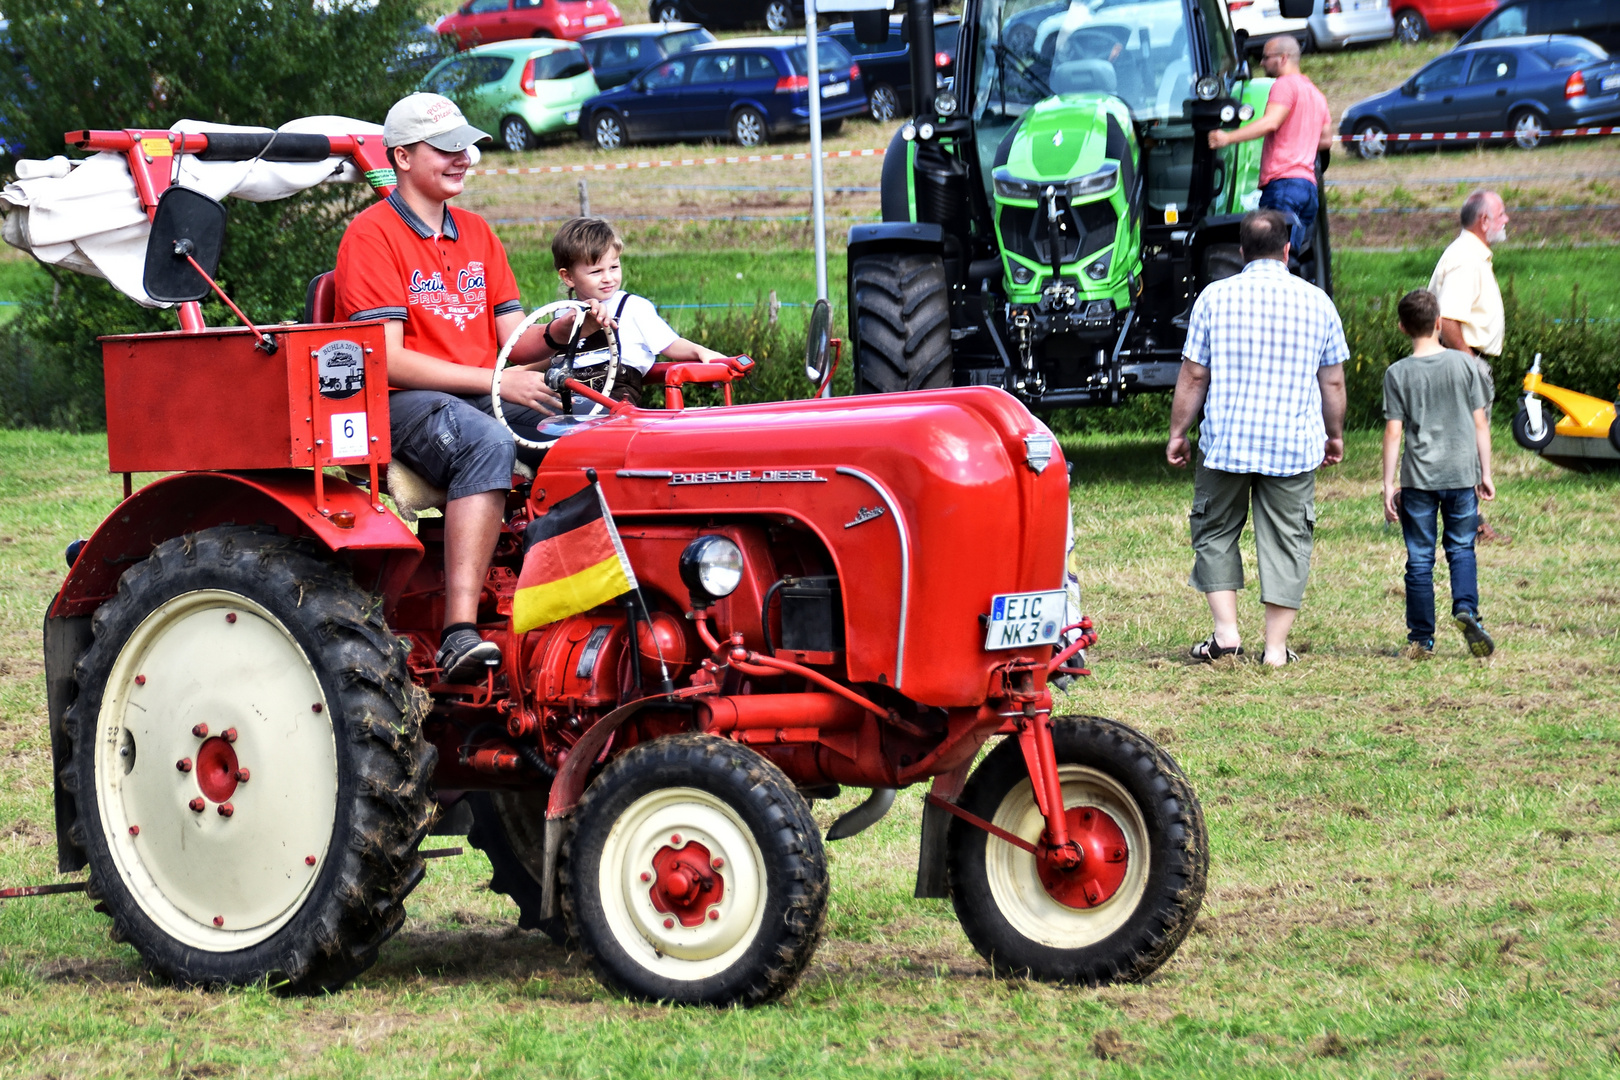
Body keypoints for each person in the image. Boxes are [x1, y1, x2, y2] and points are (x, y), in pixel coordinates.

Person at [333, 93, 610, 682]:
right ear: (402, 157)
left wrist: (567, 328)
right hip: (402, 400)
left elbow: (515, 338)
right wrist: (497, 379)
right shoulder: (372, 236)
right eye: (446, 148)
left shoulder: (478, 234)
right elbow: (387, 360)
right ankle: (460, 632)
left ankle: (565, 595)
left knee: (590, 431)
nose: (464, 158)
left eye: (467, 147)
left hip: (481, 388)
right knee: (487, 442)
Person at [1166, 209, 1348, 667]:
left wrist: (1178, 432)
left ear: (1242, 251)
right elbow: (1333, 383)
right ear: (1288, 250)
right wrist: (1335, 435)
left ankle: (1226, 636)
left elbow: (1193, 374)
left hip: (1227, 443)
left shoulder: (1214, 297)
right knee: (1288, 539)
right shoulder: (1317, 302)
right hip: (1292, 444)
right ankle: (1274, 650)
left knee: (1215, 531)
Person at [1381, 289, 1496, 659]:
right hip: (1462, 475)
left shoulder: (1397, 373)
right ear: (1439, 323)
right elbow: (1480, 423)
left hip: (1418, 480)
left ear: (1402, 327)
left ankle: (1421, 638)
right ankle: (1466, 609)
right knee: (1462, 547)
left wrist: (1387, 484)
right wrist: (1486, 471)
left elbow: (1393, 431)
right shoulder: (1466, 365)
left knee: (1419, 557)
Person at [549, 216, 729, 407]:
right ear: (568, 277)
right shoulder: (564, 314)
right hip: (566, 397)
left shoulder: (633, 307)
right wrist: (519, 370)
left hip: (614, 401)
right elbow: (549, 357)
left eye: (614, 267)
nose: (608, 278)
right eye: (596, 272)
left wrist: (701, 351)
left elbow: (669, 343)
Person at [1429, 189, 1509, 541]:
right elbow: (1446, 318)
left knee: (1451, 441)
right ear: (1484, 221)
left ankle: (1417, 503)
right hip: (1464, 357)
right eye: (1502, 214)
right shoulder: (1467, 258)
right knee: (1467, 442)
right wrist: (1469, 361)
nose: (1507, 220)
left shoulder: (1468, 254)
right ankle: (1470, 523)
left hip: (1460, 357)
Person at [1207, 35, 1332, 256]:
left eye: (1265, 58)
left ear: (1283, 58)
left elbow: (1271, 122)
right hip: (1308, 189)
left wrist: (1226, 138)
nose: (1262, 63)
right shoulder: (1315, 93)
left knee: (1271, 256)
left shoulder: (1284, 85)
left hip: (1283, 187)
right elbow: (1325, 141)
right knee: (1290, 258)